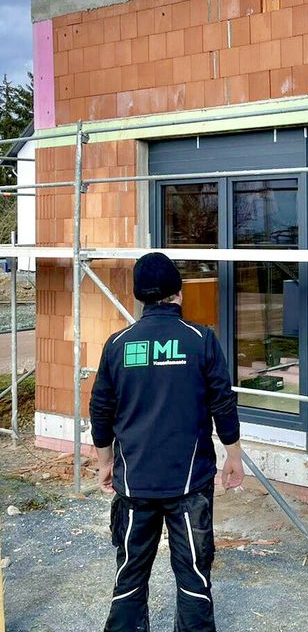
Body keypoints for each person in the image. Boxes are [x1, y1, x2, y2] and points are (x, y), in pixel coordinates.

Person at [90, 252, 244, 632]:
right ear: (178, 293)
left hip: (135, 482)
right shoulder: (201, 339)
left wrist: (105, 461)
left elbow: (101, 409)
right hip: (189, 483)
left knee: (130, 573)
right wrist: (233, 454)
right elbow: (222, 401)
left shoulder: (118, 344)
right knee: (192, 573)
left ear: (139, 297)